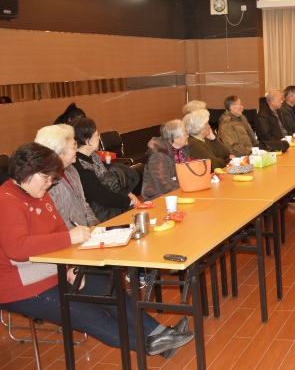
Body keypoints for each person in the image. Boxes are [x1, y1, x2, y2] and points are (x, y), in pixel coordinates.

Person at [0, 143, 194, 357]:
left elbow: (59, 229)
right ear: (26, 173)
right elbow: (16, 248)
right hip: (21, 285)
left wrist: (71, 267)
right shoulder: (7, 201)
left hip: (54, 270)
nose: (49, 184)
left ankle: (159, 334)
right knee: (90, 316)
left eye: (52, 179)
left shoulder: (38, 193)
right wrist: (69, 239)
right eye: (46, 178)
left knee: (108, 288)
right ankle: (151, 344)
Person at [70, 118, 138, 222]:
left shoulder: (93, 156)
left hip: (108, 203)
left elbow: (107, 178)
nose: (99, 137)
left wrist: (127, 193)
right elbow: (101, 195)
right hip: (98, 212)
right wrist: (127, 201)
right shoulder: (79, 165)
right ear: (87, 141)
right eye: (97, 135)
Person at [34, 125, 99, 229]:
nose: (77, 150)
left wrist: (94, 224)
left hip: (85, 232)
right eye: (73, 146)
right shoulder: (47, 183)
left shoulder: (71, 170)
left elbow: (83, 203)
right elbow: (57, 222)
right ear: (59, 152)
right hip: (69, 236)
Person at [141, 120, 190, 201]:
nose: (188, 135)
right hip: (158, 196)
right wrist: (185, 190)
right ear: (176, 138)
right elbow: (164, 185)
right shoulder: (158, 156)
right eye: (185, 133)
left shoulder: (182, 151)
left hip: (177, 192)